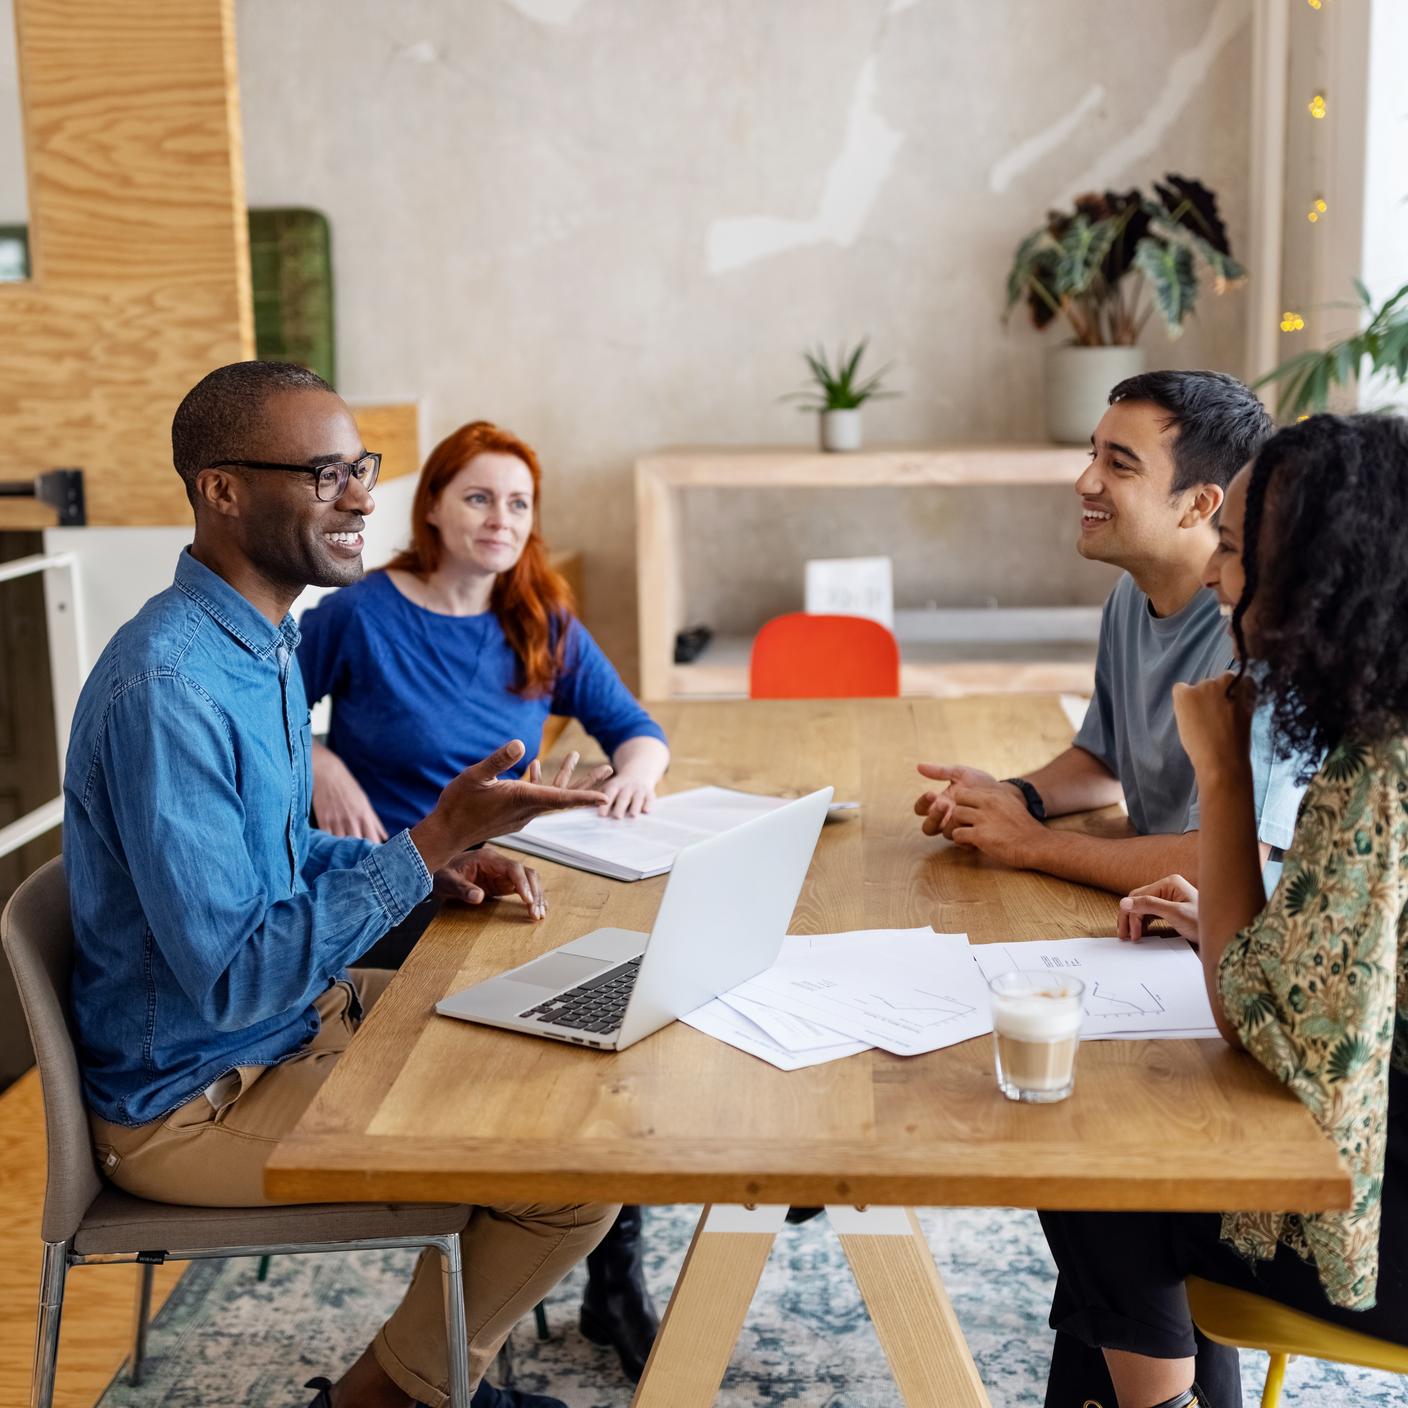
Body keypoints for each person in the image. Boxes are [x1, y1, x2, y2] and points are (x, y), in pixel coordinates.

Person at [63, 361, 617, 1408]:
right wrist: (421, 846)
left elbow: (279, 859)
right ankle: (386, 1398)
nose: (362, 494)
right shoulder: (167, 687)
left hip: (287, 1029)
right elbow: (227, 979)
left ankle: (441, 1374)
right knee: (570, 1180)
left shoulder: (260, 643)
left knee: (567, 1085)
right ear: (222, 490)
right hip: (195, 1098)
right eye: (324, 473)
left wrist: (422, 867)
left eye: (357, 466)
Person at [1040, 413, 1408, 1408]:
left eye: (1236, 551)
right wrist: (1227, 913)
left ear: (1322, 571)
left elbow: (1252, 1021)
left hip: (1376, 1238)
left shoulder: (1377, 775)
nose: (1214, 576)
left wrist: (1219, 772)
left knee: (1093, 1156)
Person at [297, 418, 670, 1383]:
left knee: (636, 999)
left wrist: (635, 776)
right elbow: (263, 717)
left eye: (517, 503)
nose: (499, 518)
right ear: (432, 507)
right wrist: (324, 759)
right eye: (477, 496)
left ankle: (608, 1266)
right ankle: (535, 1252)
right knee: (582, 1022)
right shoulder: (360, 613)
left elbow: (636, 728)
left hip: (521, 879)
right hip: (406, 885)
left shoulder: (538, 613)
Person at [913, 371, 1307, 897]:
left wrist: (1033, 844)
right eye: (1092, 455)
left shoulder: (1263, 639)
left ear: (1200, 504)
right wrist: (1012, 799)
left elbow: (1222, 864)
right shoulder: (1129, 596)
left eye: (1119, 465)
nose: (1085, 482)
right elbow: (1105, 761)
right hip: (1151, 918)